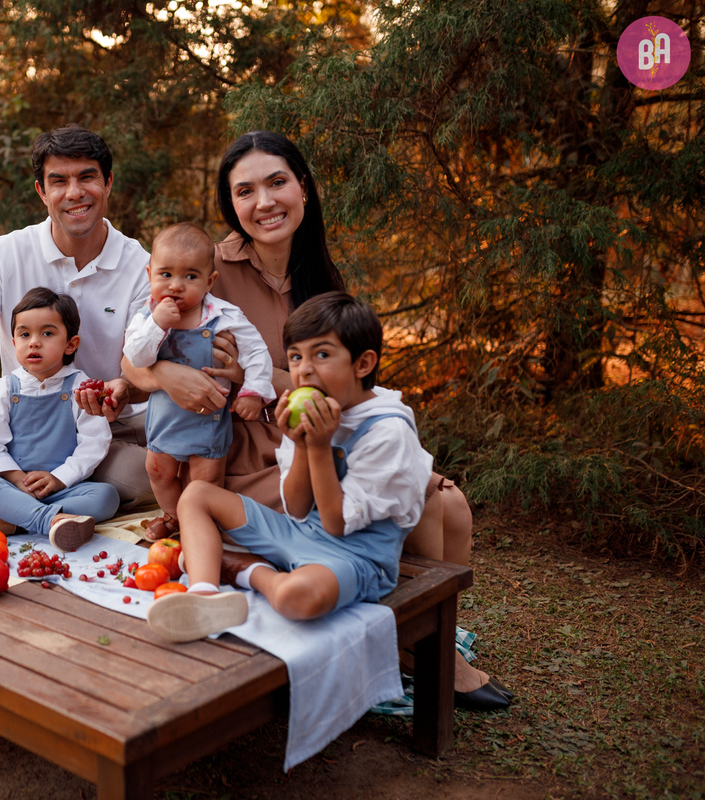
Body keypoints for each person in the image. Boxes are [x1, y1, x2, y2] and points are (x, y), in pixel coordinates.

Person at [124, 130, 508, 708]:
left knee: (449, 503)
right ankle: (423, 652)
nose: (264, 202)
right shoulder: (209, 266)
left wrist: (284, 385)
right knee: (427, 507)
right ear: (231, 204)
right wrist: (168, 378)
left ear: (302, 188)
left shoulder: (318, 273)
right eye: (245, 191)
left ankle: (422, 635)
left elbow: (341, 383)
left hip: (312, 436)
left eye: (277, 183)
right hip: (244, 452)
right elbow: (134, 353)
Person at [147, 292, 430, 641]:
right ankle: (204, 593)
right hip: (300, 532)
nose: (304, 369)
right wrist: (298, 444)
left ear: (363, 363)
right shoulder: (313, 409)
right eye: (295, 357)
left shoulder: (387, 431)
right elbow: (296, 509)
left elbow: (337, 524)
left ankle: (245, 571)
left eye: (322, 355)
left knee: (297, 598)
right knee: (197, 495)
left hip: (353, 558)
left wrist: (320, 447)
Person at [0, 124, 154, 508]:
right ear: (41, 192)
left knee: (163, 473)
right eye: (58, 181)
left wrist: (125, 389)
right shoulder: (4, 254)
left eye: (87, 177)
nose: (75, 193)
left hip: (109, 430)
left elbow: (145, 367)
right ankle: (59, 503)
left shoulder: (139, 266)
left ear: (108, 183)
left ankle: (31, 504)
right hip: (26, 433)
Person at [122, 222, 274, 540]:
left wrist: (253, 391)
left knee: (204, 482)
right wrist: (157, 325)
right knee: (158, 471)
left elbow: (257, 352)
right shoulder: (146, 316)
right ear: (150, 273)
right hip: (166, 417)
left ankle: (200, 524)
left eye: (190, 276)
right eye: (165, 275)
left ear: (210, 281)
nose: (176, 286)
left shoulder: (224, 316)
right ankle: (174, 516)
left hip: (209, 420)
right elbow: (136, 357)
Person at [0, 288, 119, 551]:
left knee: (106, 497)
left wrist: (59, 478)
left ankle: (15, 519)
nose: (34, 342)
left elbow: (95, 442)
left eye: (47, 333)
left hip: (60, 487)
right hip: (13, 484)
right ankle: (50, 520)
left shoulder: (81, 388)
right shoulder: (4, 389)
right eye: (25, 334)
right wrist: (16, 480)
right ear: (14, 342)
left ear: (71, 344)